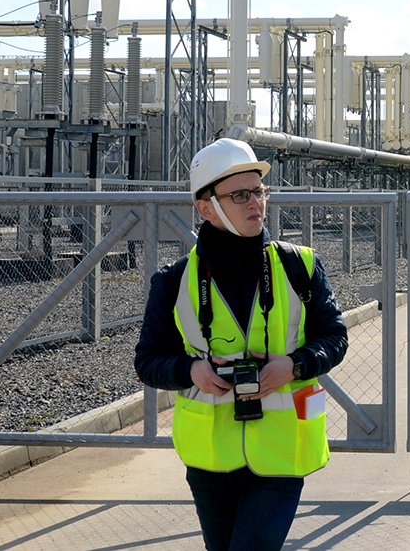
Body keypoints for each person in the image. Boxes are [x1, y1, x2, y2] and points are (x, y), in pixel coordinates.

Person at [134, 138, 348, 550]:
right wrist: (190, 370)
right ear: (205, 207)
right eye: (240, 195)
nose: (256, 203)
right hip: (210, 457)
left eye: (259, 191)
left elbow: (334, 337)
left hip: (282, 452)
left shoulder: (298, 265)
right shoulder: (174, 280)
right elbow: (147, 360)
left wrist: (295, 365)